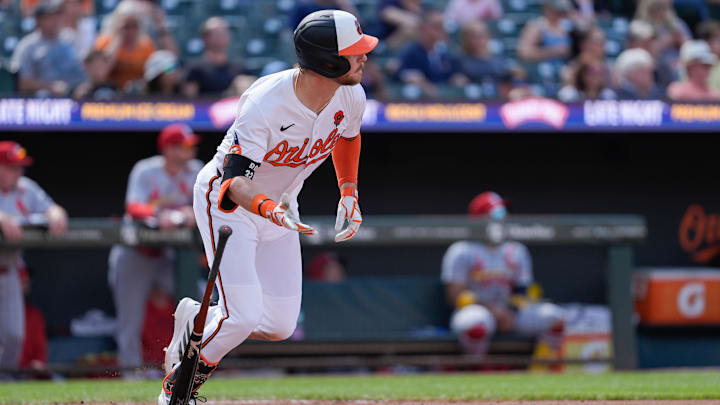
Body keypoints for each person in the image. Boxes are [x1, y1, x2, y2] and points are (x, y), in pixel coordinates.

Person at [157, 10, 374, 404]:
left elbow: (348, 135)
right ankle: (178, 388)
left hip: (281, 206)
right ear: (328, 60)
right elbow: (233, 182)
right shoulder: (265, 102)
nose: (364, 57)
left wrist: (348, 191)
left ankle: (197, 321)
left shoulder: (351, 94)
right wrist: (266, 208)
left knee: (278, 325)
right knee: (240, 317)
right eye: (354, 51)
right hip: (229, 204)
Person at [108, 124, 202, 375]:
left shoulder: (196, 170)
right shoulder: (146, 170)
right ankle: (130, 375)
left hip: (169, 255)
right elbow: (134, 206)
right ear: (169, 149)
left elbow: (210, 204)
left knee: (198, 302)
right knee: (130, 320)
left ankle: (187, 368)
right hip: (136, 253)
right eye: (184, 146)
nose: (191, 149)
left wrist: (189, 213)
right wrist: (160, 214)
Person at [441, 192, 564, 360]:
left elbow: (523, 289)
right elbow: (455, 295)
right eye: (496, 214)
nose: (503, 218)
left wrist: (511, 311)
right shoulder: (462, 249)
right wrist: (493, 311)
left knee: (554, 316)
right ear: (478, 219)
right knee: (475, 322)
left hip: (510, 311)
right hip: (478, 310)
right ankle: (476, 369)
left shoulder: (516, 249)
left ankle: (545, 367)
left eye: (504, 213)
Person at [0, 141, 67, 371]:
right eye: (11, 167)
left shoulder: (26, 188)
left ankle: (5, 382)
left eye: (20, 167)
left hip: (7, 270)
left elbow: (51, 208)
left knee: (14, 336)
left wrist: (55, 213)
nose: (18, 172)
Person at [10, 0, 86, 96]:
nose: (55, 20)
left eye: (58, 16)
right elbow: (22, 82)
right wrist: (50, 87)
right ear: (38, 21)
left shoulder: (70, 39)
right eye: (50, 17)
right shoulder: (28, 46)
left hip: (72, 94)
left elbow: (82, 71)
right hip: (41, 100)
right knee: (43, 94)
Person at [396, 9, 465, 98]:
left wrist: (457, 80)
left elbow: (453, 75)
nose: (441, 30)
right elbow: (403, 74)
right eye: (436, 26)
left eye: (442, 26)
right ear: (423, 29)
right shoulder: (410, 52)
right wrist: (420, 82)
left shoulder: (445, 53)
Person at [94, 3, 155, 90]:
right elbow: (101, 73)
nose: (130, 32)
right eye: (126, 26)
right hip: (109, 93)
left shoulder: (146, 45)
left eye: (134, 26)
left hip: (138, 95)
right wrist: (118, 41)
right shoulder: (104, 42)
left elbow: (151, 76)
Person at [181, 17, 247, 98]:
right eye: (217, 34)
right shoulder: (194, 69)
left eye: (225, 32)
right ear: (205, 38)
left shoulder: (240, 68)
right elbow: (190, 101)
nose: (222, 37)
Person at [458, 21, 513, 99]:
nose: (479, 41)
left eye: (481, 36)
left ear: (488, 36)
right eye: (474, 37)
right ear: (466, 39)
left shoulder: (500, 61)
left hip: (499, 101)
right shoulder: (458, 61)